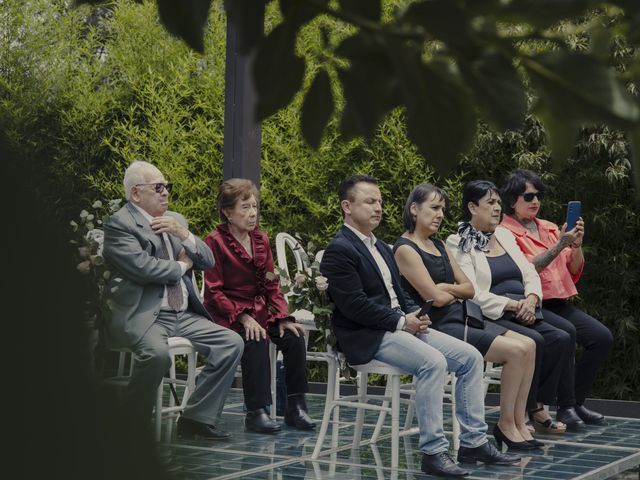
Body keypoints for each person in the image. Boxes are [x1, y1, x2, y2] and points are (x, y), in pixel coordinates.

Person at [320, 175, 520, 477]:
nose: (378, 208)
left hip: (400, 325)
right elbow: (354, 306)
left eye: (380, 202)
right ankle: (433, 452)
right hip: (369, 334)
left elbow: (399, 295)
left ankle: (473, 442)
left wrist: (416, 314)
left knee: (470, 358)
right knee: (433, 363)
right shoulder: (340, 249)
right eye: (370, 201)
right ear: (347, 206)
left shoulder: (381, 247)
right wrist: (402, 320)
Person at [103, 160, 244, 440]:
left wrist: (184, 234)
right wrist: (181, 267)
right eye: (158, 187)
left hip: (183, 314)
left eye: (167, 186)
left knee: (231, 343)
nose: (166, 192)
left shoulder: (176, 220)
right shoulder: (120, 224)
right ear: (135, 194)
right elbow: (145, 269)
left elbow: (207, 260)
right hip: (147, 315)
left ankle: (196, 418)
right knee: (156, 355)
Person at [394, 183, 539, 451]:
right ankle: (505, 424)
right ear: (414, 209)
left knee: (529, 345)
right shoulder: (405, 248)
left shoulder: (437, 244)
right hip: (438, 325)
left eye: (443, 209)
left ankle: (518, 421)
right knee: (516, 352)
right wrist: (451, 292)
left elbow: (469, 289)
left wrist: (447, 289)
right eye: (434, 208)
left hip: (463, 315)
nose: (440, 214)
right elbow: (434, 300)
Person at [446, 180, 573, 438]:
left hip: (524, 307)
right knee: (535, 340)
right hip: (493, 312)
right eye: (490, 203)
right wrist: (513, 305)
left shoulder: (503, 234)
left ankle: (535, 407)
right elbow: (474, 292)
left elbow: (529, 271)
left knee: (561, 337)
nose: (497, 208)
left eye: (497, 202)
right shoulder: (458, 241)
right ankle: (517, 419)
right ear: (472, 207)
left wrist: (532, 298)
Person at [500, 169, 613, 429]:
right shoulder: (505, 232)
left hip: (559, 301)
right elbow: (526, 269)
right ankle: (565, 407)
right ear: (512, 199)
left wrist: (576, 244)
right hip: (532, 302)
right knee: (567, 333)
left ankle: (575, 401)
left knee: (601, 337)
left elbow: (573, 271)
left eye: (538, 195)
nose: (535, 201)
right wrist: (561, 244)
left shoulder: (549, 227)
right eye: (528, 196)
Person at [203, 178, 315, 434]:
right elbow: (213, 291)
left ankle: (295, 407)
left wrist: (283, 316)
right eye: (245, 207)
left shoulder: (261, 239)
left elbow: (271, 285)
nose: (252, 213)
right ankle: (257, 412)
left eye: (254, 206)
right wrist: (243, 317)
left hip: (261, 310)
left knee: (294, 336)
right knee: (255, 338)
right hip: (228, 313)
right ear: (227, 212)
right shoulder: (215, 242)